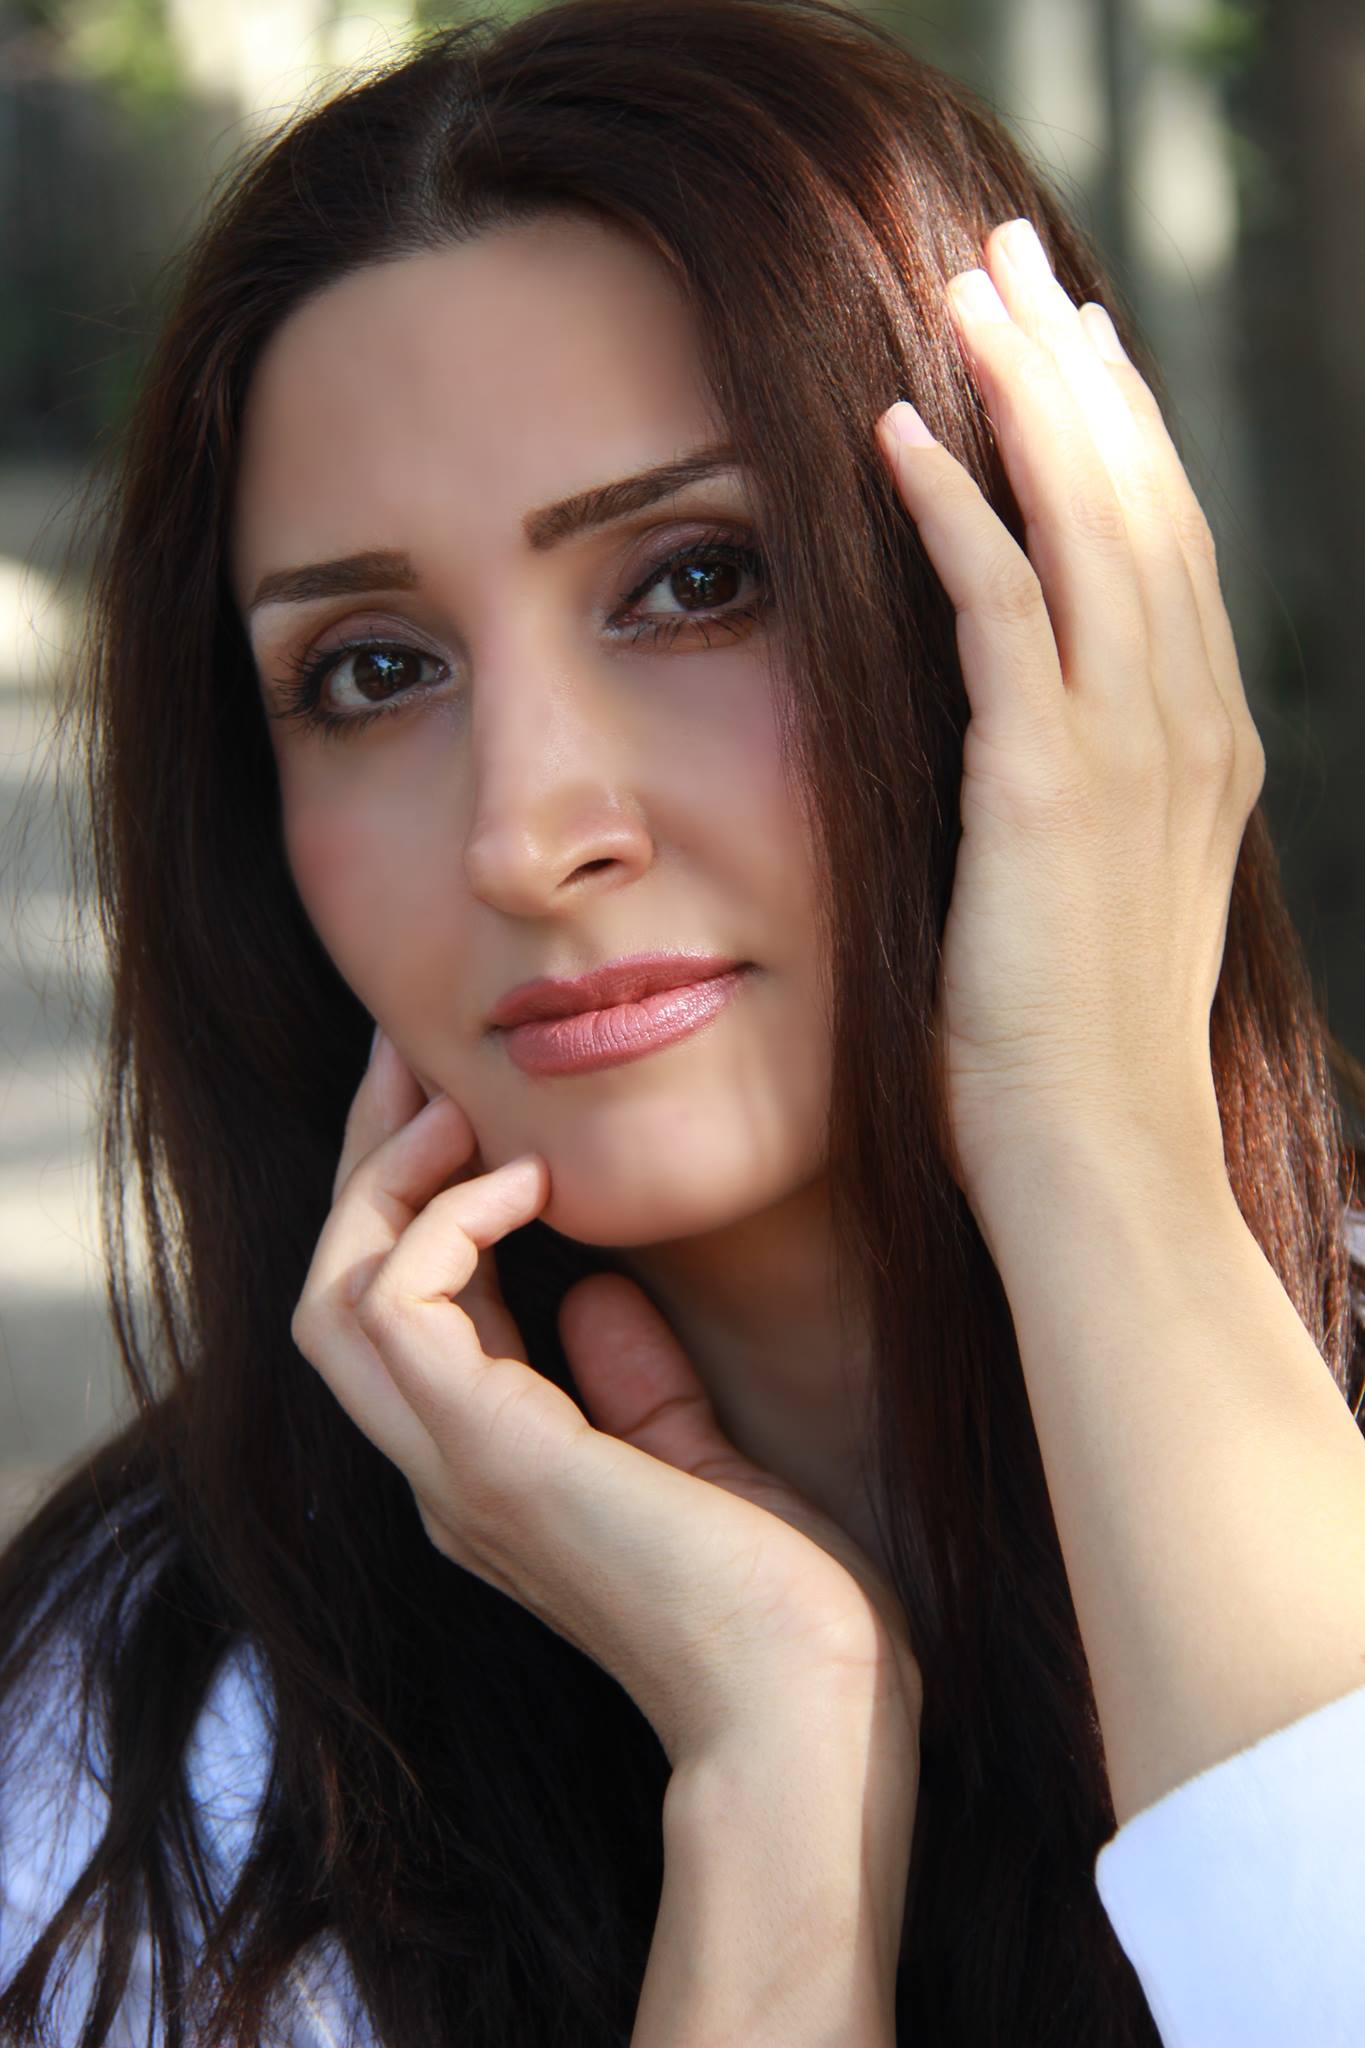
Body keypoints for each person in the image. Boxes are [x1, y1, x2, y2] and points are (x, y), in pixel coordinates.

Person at [2, 0, 1363, 2041]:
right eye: (371, 671)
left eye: (697, 575)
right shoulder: (142, 1766)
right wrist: (776, 1766)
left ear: (1066, 598)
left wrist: (1092, 1134)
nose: (528, 829)